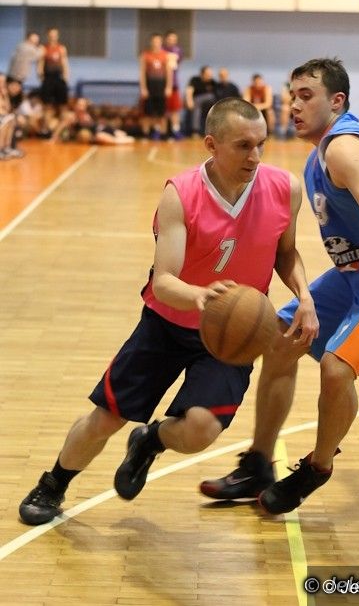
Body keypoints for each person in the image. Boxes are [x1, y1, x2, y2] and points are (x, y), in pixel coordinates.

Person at [18, 96, 318, 525]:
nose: (255, 156)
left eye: (260, 144)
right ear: (211, 144)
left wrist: (304, 295)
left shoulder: (285, 189)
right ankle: (52, 484)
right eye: (242, 146)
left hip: (231, 334)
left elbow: (285, 254)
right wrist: (200, 297)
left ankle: (150, 440)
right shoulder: (181, 194)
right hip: (167, 323)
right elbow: (164, 281)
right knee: (106, 419)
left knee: (200, 431)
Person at [200, 57, 359, 515]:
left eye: (306, 96)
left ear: (337, 101)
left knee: (336, 369)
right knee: (281, 340)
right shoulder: (318, 157)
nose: (294, 105)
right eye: (291, 95)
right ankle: (257, 463)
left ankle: (317, 467)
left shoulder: (343, 149)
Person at [139, 33, 173, 140]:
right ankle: (146, 134)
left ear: (161, 42)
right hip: (150, 84)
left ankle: (163, 134)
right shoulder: (145, 55)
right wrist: (143, 88)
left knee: (162, 112)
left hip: (161, 85)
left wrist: (168, 87)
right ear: (151, 42)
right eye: (154, 41)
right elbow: (142, 73)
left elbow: (169, 73)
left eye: (158, 41)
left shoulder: (165, 55)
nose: (156, 43)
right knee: (147, 112)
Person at [38, 27, 70, 109]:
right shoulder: (43, 48)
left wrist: (66, 76)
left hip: (59, 77)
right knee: (47, 103)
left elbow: (65, 63)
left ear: (57, 36)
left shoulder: (61, 48)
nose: (53, 37)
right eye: (51, 35)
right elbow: (40, 63)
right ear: (47, 36)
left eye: (54, 35)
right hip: (48, 77)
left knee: (62, 104)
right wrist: (41, 76)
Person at [163, 30, 184, 139]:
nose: (172, 41)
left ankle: (175, 130)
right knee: (163, 109)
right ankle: (164, 132)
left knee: (175, 108)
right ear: (166, 39)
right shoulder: (161, 51)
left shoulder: (178, 51)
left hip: (174, 84)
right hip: (162, 84)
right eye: (170, 39)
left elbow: (176, 63)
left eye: (174, 39)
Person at [185, 65, 217, 136]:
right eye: (208, 74)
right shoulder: (195, 80)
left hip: (209, 103)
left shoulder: (213, 82)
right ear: (202, 74)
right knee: (197, 105)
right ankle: (195, 130)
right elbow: (189, 91)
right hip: (196, 103)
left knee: (210, 96)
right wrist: (189, 101)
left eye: (210, 74)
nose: (210, 76)